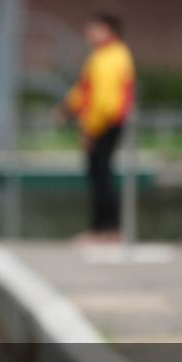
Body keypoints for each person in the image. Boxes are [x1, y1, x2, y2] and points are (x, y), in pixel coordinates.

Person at [58, 13, 136, 243]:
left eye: (95, 28)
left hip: (105, 124)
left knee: (102, 176)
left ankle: (108, 230)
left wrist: (90, 128)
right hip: (102, 123)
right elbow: (85, 89)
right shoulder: (102, 56)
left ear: (109, 30)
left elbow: (106, 101)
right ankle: (103, 229)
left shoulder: (113, 58)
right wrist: (67, 108)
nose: (89, 33)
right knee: (99, 175)